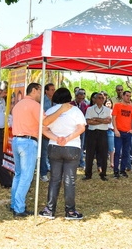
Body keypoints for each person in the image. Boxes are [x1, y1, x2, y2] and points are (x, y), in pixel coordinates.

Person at [38, 88, 84, 220]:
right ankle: (70, 211)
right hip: (72, 147)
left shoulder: (50, 111)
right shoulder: (75, 110)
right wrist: (67, 139)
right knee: (70, 180)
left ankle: (49, 209)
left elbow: (43, 128)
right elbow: (81, 128)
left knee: (54, 179)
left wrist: (57, 138)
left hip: (55, 147)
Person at [9, 83, 42, 217]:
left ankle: (14, 204)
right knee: (26, 176)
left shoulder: (18, 105)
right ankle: (19, 208)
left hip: (16, 140)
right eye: (39, 91)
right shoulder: (34, 105)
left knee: (18, 174)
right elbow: (45, 121)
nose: (41, 94)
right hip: (28, 142)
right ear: (33, 90)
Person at [83, 92, 112, 181]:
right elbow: (88, 121)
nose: (101, 100)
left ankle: (103, 174)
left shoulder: (107, 110)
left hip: (103, 133)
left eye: (102, 98)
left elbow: (108, 121)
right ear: (95, 99)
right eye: (99, 98)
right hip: (92, 133)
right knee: (90, 154)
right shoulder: (90, 109)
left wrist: (96, 119)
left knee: (104, 154)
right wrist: (102, 121)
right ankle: (88, 174)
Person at [112, 90, 132, 179]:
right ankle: (116, 170)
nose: (128, 97)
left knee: (126, 152)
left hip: (127, 133)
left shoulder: (131, 107)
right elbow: (113, 118)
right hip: (119, 132)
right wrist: (115, 130)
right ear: (122, 96)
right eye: (127, 95)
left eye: (129, 96)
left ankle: (122, 170)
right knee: (117, 152)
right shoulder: (117, 106)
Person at [39, 83, 56, 182]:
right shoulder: (41, 101)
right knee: (44, 153)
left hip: (54, 130)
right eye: (52, 89)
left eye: (54, 89)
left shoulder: (56, 101)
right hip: (44, 130)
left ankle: (50, 169)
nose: (54, 91)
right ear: (46, 91)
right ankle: (43, 173)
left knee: (52, 152)